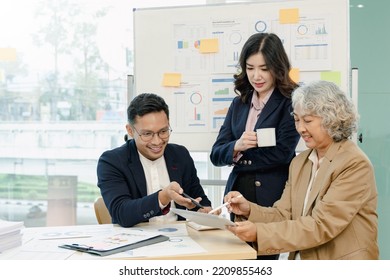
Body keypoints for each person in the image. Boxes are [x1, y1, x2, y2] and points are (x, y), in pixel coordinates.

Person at [225, 80, 379, 260]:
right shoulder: (300, 162)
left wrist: (259, 232)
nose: (300, 128)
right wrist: (249, 209)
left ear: (332, 119)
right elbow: (284, 214)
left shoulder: (354, 163)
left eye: (307, 120)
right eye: (297, 120)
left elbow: (321, 225)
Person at [210, 33, 300, 259]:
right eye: (250, 68)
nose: (256, 76)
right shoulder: (239, 103)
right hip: (237, 196)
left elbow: (282, 153)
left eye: (264, 68)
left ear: (277, 68)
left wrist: (239, 156)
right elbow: (216, 154)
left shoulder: (290, 101)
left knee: (264, 262)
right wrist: (236, 146)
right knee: (240, 261)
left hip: (270, 198)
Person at [97, 93, 212, 227]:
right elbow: (121, 213)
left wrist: (205, 210)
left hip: (180, 240)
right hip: (136, 241)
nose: (157, 141)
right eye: (147, 134)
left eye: (163, 131)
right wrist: (163, 197)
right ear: (130, 130)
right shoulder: (112, 161)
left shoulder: (180, 155)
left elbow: (198, 198)